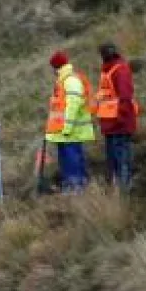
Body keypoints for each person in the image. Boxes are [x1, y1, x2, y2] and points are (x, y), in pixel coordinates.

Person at [44, 51, 95, 193]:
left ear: (56, 67)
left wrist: (67, 127)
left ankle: (76, 188)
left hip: (70, 131)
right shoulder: (63, 80)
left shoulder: (70, 81)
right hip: (64, 132)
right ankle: (72, 186)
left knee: (72, 160)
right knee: (68, 160)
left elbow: (73, 104)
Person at [94, 42, 138, 192]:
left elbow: (125, 97)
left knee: (122, 160)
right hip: (111, 125)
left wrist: (120, 119)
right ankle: (118, 190)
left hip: (119, 124)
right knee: (115, 161)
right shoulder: (109, 71)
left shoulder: (119, 70)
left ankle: (124, 191)